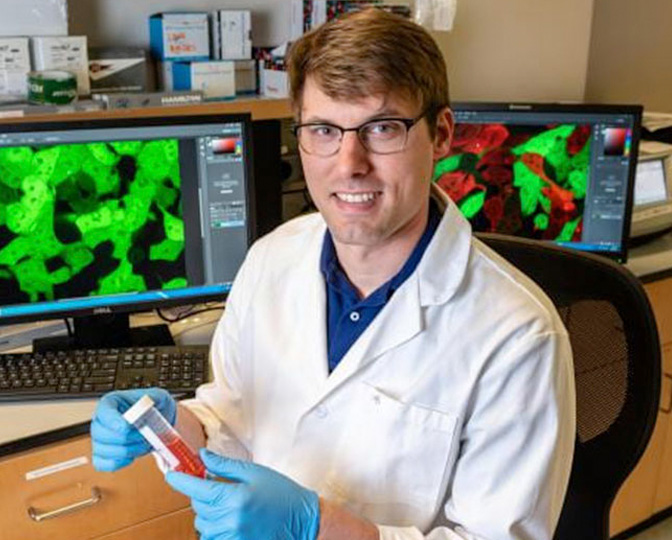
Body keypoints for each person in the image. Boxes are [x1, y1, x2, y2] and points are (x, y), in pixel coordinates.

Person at [90, 8, 575, 540]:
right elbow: (234, 418)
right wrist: (174, 426)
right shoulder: (272, 259)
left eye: (382, 128)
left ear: (441, 134)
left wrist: (319, 528)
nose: (349, 163)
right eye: (324, 129)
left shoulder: (518, 334)